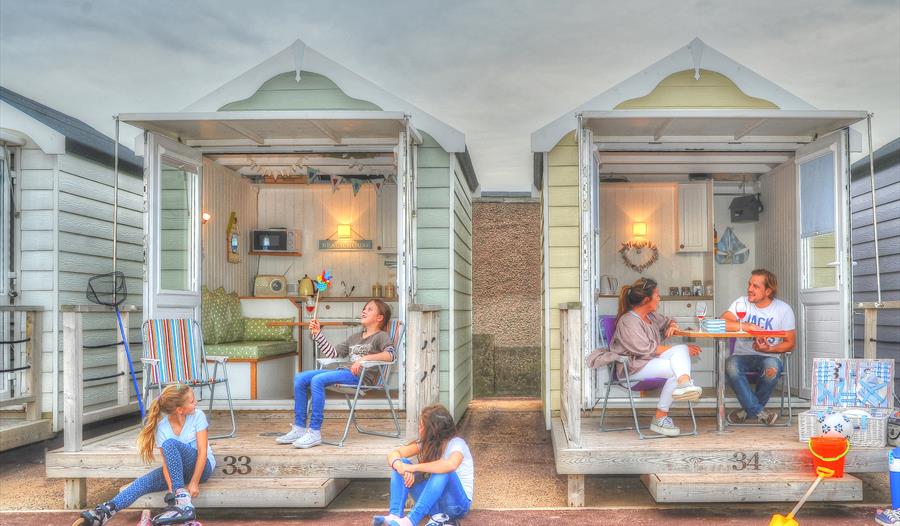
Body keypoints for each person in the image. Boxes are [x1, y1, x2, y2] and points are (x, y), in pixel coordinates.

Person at [74, 384, 215, 525]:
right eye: (192, 401)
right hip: (177, 472)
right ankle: (104, 512)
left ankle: (182, 503)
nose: (196, 403)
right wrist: (172, 493)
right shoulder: (163, 428)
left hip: (202, 467)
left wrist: (194, 482)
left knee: (170, 444)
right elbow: (167, 464)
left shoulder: (198, 416)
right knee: (142, 482)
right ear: (179, 410)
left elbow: (202, 452)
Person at [276, 299, 396, 449]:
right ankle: (300, 428)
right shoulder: (355, 337)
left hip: (361, 378)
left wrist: (365, 358)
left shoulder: (381, 336)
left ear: (380, 317)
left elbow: (390, 355)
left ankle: (314, 432)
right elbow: (333, 353)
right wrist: (318, 334)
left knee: (317, 380)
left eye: (370, 309)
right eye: (364, 308)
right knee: (300, 378)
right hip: (344, 372)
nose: (364, 311)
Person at [608, 277, 702, 437]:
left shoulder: (650, 317)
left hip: (649, 363)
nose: (659, 298)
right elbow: (644, 349)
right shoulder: (628, 321)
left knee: (678, 367)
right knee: (678, 363)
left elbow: (668, 321)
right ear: (646, 299)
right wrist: (683, 350)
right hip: (632, 368)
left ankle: (681, 387)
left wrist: (672, 325)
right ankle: (669, 404)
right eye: (657, 295)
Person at [375, 404, 474, 526]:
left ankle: (410, 521)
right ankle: (394, 516)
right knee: (403, 462)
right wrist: (400, 466)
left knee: (444, 471)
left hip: (456, 505)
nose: (419, 429)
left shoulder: (457, 444)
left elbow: (451, 465)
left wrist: (413, 468)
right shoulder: (427, 444)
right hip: (434, 504)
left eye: (422, 426)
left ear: (433, 430)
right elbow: (394, 453)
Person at [722, 269, 796, 425]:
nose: (749, 289)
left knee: (772, 368)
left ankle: (747, 411)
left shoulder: (783, 310)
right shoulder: (741, 303)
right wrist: (750, 327)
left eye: (755, 286)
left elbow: (790, 343)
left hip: (769, 356)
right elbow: (724, 323)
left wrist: (768, 349)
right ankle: (760, 412)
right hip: (742, 356)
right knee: (730, 365)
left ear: (768, 291)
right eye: (749, 284)